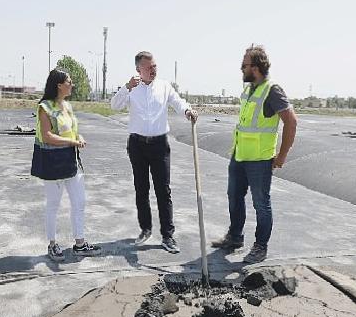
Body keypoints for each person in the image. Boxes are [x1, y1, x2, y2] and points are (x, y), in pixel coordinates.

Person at [211, 45, 298, 263]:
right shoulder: (249, 91)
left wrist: (282, 155)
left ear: (256, 67)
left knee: (261, 203)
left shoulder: (272, 90)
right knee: (234, 197)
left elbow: (291, 121)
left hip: (259, 159)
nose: (241, 69)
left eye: (244, 65)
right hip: (239, 156)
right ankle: (235, 237)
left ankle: (260, 247)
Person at [110, 51, 198, 254]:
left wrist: (187, 111)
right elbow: (114, 106)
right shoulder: (131, 89)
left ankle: (168, 235)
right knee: (141, 189)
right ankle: (145, 229)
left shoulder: (164, 86)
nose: (153, 70)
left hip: (159, 145)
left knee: (163, 190)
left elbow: (178, 102)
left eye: (155, 66)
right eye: (149, 67)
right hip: (137, 145)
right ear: (138, 69)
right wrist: (126, 87)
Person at [32, 69, 101, 261]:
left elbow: (71, 130)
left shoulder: (68, 106)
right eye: (69, 82)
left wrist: (78, 137)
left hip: (71, 161)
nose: (72, 85)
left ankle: (80, 244)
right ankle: (52, 244)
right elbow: (47, 136)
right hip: (53, 163)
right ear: (59, 85)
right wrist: (72, 142)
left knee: (79, 202)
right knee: (53, 205)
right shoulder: (44, 107)